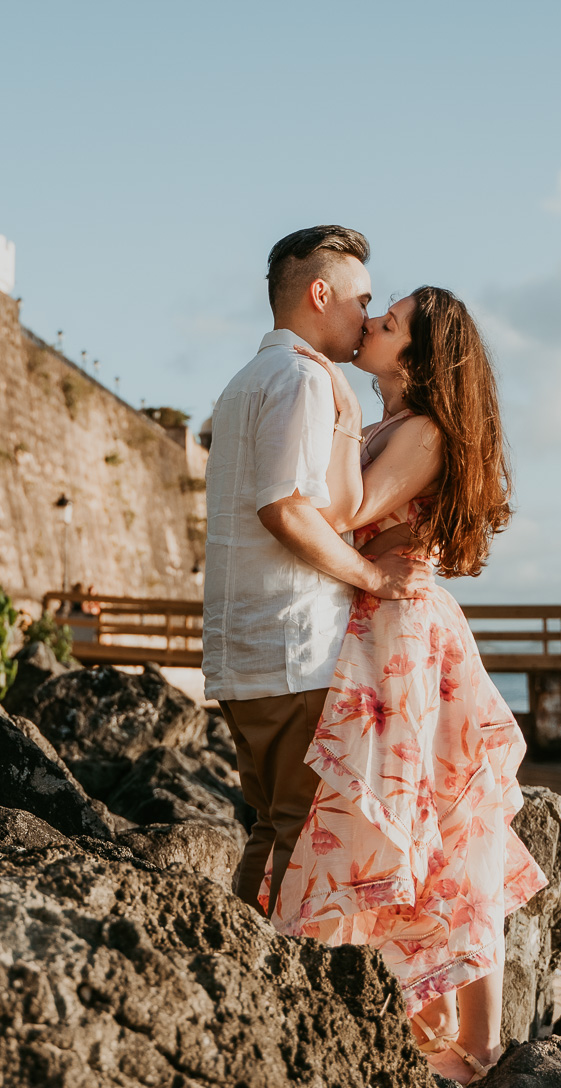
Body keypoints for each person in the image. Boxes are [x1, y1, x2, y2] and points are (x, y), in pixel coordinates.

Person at [270, 286, 546, 1083]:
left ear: (419, 358)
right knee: (408, 823)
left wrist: (331, 409)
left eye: (389, 323)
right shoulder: (395, 423)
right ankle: (439, 1030)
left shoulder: (420, 430)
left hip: (408, 642)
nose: (371, 323)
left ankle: (480, 1042)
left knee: (455, 829)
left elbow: (346, 513)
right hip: (383, 634)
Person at [201, 225, 433, 925]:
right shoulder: (304, 377)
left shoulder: (247, 380)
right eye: (363, 300)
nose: (368, 316)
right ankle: (267, 982)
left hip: (245, 649)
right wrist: (369, 573)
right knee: (300, 832)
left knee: (272, 825)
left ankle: (239, 966)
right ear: (319, 293)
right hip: (292, 647)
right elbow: (286, 510)